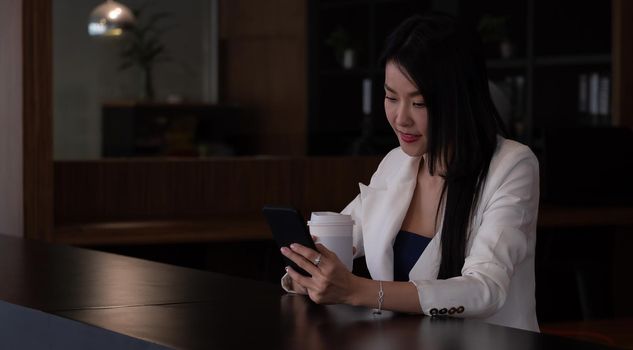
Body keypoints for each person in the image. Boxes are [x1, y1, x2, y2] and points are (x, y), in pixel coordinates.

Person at [280, 12, 540, 332]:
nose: (400, 118)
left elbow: (485, 290)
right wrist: (310, 274)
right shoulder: (396, 163)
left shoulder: (512, 165)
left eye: (419, 103)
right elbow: (340, 236)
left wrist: (356, 290)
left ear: (458, 99)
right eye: (391, 97)